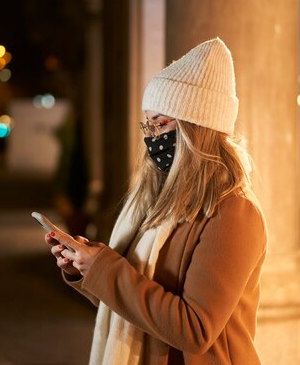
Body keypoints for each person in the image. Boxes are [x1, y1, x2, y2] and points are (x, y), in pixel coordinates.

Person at [45, 38, 268, 365]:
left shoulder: (233, 211)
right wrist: (85, 268)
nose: (151, 137)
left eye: (161, 124)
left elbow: (195, 330)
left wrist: (105, 269)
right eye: (146, 125)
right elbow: (132, 303)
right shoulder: (158, 197)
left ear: (196, 129)